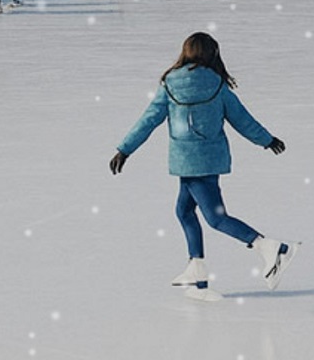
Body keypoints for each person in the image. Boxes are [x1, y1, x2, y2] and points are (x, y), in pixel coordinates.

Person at [109, 32, 294, 301]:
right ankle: (198, 275)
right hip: (210, 160)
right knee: (184, 211)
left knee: (216, 218)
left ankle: (271, 247)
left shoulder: (170, 84)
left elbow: (148, 120)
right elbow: (242, 119)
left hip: (187, 162)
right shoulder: (218, 84)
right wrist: (267, 140)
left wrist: (125, 149)